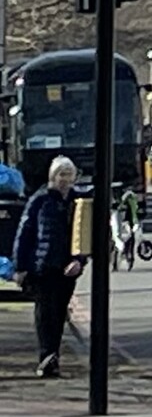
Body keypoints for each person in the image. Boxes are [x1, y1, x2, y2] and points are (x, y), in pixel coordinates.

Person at [12, 156, 85, 378]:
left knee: (59, 313)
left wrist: (80, 261)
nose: (65, 180)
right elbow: (24, 234)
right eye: (61, 175)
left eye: (69, 175)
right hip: (42, 267)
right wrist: (20, 267)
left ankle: (53, 356)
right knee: (45, 314)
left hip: (66, 268)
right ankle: (47, 357)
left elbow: (84, 236)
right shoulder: (40, 200)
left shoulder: (78, 202)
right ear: (52, 176)